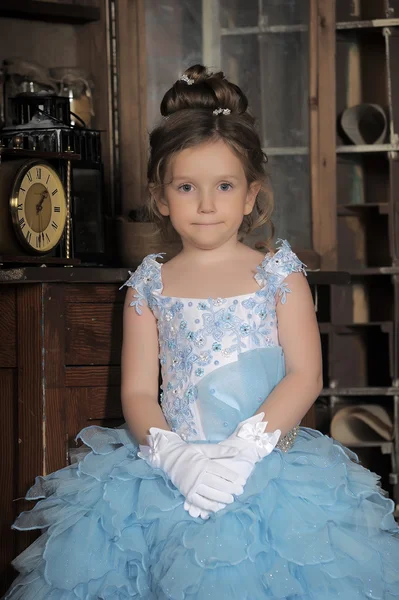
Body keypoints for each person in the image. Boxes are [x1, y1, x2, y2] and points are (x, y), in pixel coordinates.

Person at [4, 64, 399, 600]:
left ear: (251, 194)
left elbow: (306, 374)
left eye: (225, 186)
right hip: (170, 471)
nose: (207, 204)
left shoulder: (277, 273)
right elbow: (140, 391)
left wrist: (243, 451)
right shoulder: (150, 284)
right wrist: (175, 456)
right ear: (161, 196)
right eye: (187, 187)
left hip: (266, 466)